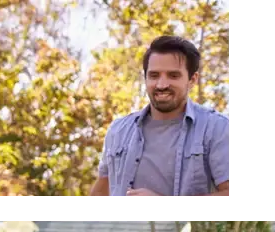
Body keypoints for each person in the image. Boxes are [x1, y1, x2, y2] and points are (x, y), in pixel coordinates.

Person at [89, 35, 231, 201]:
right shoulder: (118, 130)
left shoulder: (217, 128)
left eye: (173, 76)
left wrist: (161, 204)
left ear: (192, 80)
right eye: (154, 75)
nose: (161, 85)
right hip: (123, 228)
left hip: (183, 228)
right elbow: (100, 192)